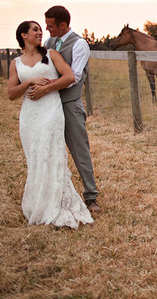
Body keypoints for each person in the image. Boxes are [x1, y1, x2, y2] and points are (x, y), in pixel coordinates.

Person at [7, 20, 93, 228]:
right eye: (35, 30)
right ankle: (40, 202)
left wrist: (47, 88)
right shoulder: (15, 63)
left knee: (52, 154)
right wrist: (28, 82)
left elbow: (70, 76)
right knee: (36, 157)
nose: (40, 32)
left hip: (51, 112)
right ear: (23, 36)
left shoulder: (52, 55)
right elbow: (11, 94)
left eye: (40, 29)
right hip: (30, 115)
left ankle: (60, 201)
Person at [44, 5, 100, 214]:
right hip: (48, 104)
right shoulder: (48, 43)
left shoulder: (79, 44)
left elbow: (75, 77)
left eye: (50, 26)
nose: (47, 30)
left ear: (63, 25)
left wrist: (48, 86)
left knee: (79, 148)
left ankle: (91, 196)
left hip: (69, 103)